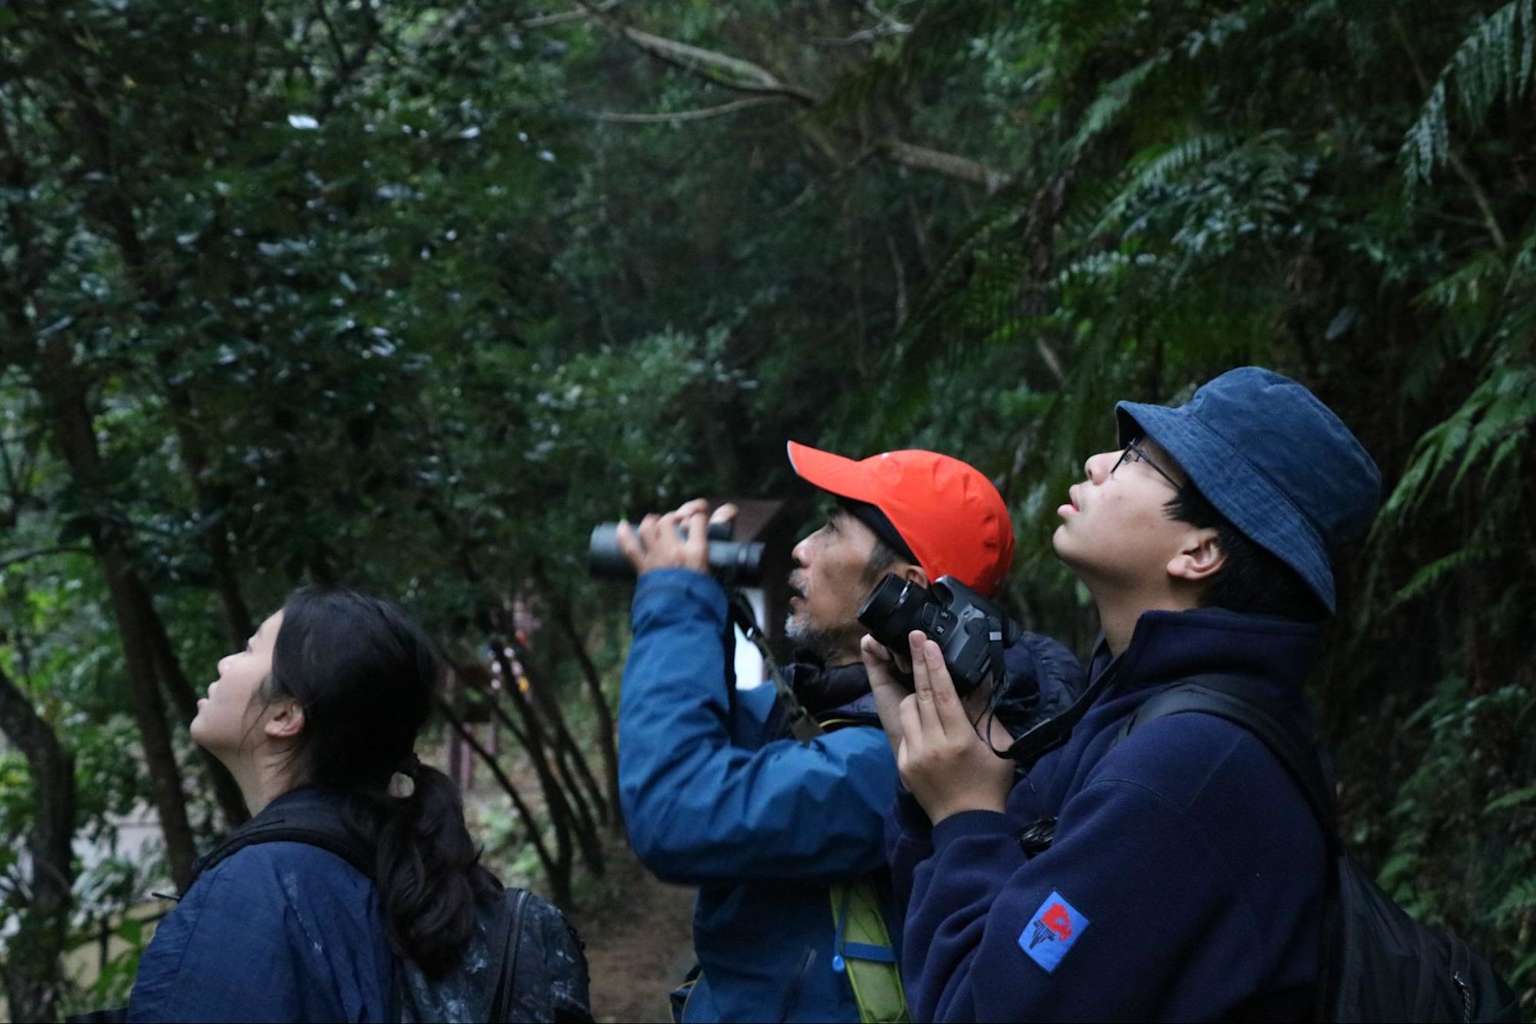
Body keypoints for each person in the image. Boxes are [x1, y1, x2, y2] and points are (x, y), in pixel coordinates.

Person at [864, 366, 1382, 1021]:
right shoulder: (1136, 711)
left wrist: (963, 814)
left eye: (1137, 459)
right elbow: (960, 951)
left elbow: (977, 1007)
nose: (1098, 463)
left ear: (1200, 551)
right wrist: (936, 783)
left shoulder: (1186, 768)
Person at [614, 442, 1083, 1022]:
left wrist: (675, 601)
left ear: (904, 586)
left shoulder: (905, 760)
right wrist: (705, 604)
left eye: (833, 530)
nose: (802, 548)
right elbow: (692, 742)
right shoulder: (830, 705)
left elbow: (677, 811)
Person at [126, 587, 588, 1022]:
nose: (225, 662)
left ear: (285, 715)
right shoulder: (407, 874)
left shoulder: (255, 892)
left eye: (249, 650)